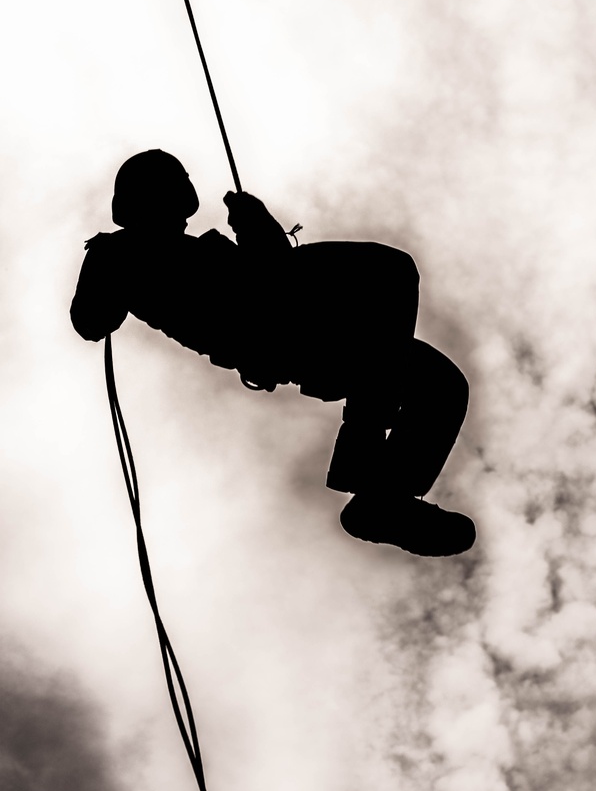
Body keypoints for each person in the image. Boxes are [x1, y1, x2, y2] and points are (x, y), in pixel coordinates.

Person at [71, 150, 475, 557]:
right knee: (390, 270)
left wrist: (255, 226)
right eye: (176, 183)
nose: (185, 193)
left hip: (302, 327)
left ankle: (383, 498)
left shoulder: (188, 250)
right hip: (275, 325)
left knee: (440, 384)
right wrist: (255, 227)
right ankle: (363, 448)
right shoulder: (121, 252)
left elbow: (268, 269)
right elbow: (90, 321)